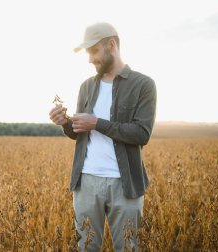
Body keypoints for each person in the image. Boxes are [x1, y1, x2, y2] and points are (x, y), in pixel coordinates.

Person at [49, 22, 157, 251]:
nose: (90, 59)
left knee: (128, 247)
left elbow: (141, 133)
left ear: (111, 45)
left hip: (125, 184)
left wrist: (97, 123)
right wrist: (66, 124)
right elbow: (80, 133)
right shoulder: (86, 86)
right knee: (86, 247)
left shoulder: (144, 85)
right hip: (86, 182)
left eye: (94, 51)